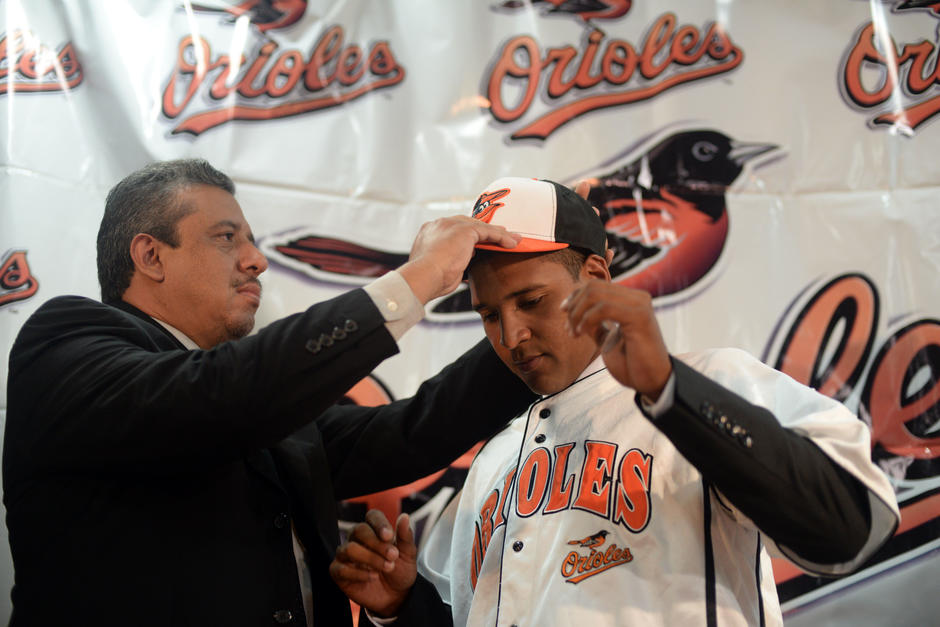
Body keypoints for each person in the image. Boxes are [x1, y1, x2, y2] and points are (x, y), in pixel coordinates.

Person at [329, 177, 900, 626]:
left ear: (595, 274)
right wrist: (400, 608)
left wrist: (671, 392)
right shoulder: (495, 458)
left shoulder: (713, 382)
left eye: (531, 300)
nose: (511, 336)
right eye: (488, 314)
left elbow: (850, 527)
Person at [2, 160, 541, 627]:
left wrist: (542, 324)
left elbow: (411, 431)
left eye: (252, 240)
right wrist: (418, 278)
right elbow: (216, 397)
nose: (256, 259)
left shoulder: (263, 404)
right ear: (150, 255)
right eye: (226, 237)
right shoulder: (66, 340)